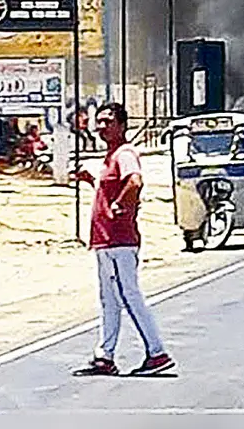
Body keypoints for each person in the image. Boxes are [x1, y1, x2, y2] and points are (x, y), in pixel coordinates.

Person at [71, 103, 175, 377]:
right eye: (100, 122)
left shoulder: (125, 154)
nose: (102, 126)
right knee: (109, 299)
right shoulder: (110, 157)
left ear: (122, 125)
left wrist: (120, 205)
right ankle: (105, 356)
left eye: (108, 121)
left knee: (129, 295)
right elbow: (111, 188)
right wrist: (91, 180)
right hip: (105, 241)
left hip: (118, 240)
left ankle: (157, 352)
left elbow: (135, 182)